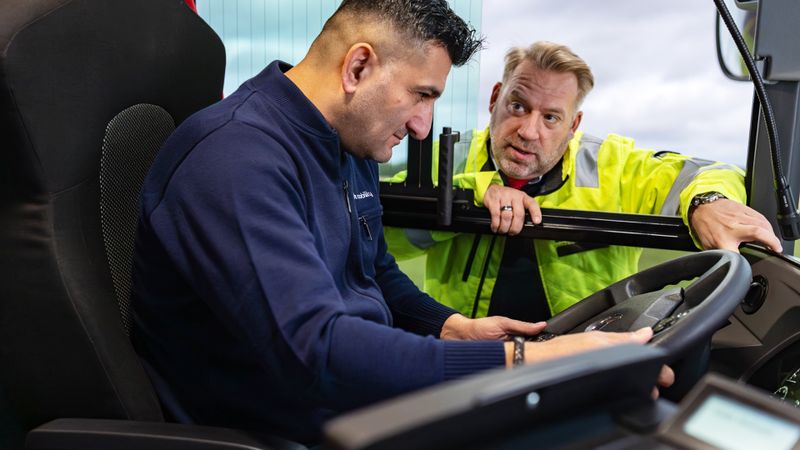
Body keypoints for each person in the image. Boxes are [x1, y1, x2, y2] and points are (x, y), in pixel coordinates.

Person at [129, 5, 672, 445]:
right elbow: (316, 351)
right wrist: (526, 361)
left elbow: (374, 270)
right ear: (357, 68)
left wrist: (452, 326)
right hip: (301, 423)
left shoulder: (350, 144)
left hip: (356, 395)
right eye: (422, 95)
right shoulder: (236, 159)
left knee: (622, 415)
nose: (421, 127)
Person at [385, 41, 781, 321]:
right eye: (517, 106)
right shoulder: (448, 160)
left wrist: (707, 201)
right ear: (494, 99)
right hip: (467, 355)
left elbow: (708, 171)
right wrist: (471, 193)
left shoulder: (612, 164)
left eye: (551, 117)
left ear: (574, 124)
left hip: (582, 359)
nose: (528, 130)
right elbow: (380, 234)